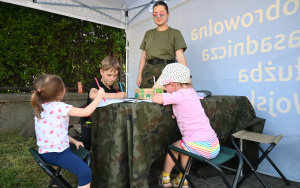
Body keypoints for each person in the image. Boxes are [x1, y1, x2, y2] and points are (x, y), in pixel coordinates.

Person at [31, 74, 105, 188]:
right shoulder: (59, 107)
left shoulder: (40, 107)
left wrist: (73, 141)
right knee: (85, 173)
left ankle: (56, 179)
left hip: (45, 152)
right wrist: (99, 96)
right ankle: (58, 178)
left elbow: (54, 132)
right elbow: (86, 112)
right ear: (61, 92)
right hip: (58, 153)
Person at [152, 63, 220, 188]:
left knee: (174, 147)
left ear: (173, 85)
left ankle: (165, 177)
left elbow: (156, 98)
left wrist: (155, 92)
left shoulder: (179, 95)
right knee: (184, 148)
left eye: (165, 86)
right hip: (214, 145)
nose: (164, 88)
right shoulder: (191, 92)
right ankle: (183, 180)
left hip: (200, 146)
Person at [136, 0, 188, 88]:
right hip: (148, 74)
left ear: (168, 14)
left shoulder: (175, 33)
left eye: (162, 13)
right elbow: (143, 57)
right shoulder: (148, 33)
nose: (158, 16)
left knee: (166, 100)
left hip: (168, 74)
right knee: (146, 100)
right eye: (155, 14)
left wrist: (186, 78)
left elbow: (180, 57)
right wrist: (139, 75)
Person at [80, 56, 126, 150]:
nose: (112, 79)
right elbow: (92, 94)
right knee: (87, 140)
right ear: (101, 72)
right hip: (89, 122)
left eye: (115, 75)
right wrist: (116, 96)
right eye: (109, 75)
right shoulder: (96, 85)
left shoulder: (113, 90)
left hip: (107, 122)